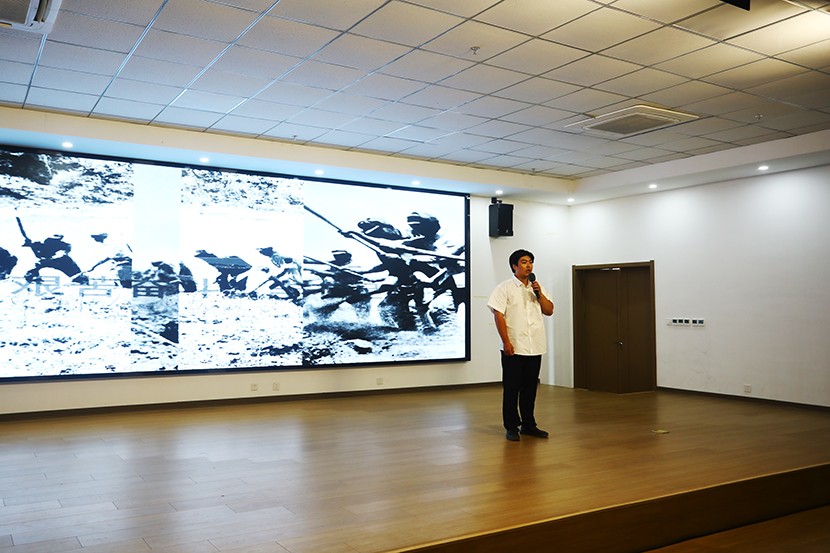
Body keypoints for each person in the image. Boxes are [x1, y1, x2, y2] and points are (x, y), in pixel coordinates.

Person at [487, 249, 554, 441]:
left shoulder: (537, 288)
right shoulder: (504, 288)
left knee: (530, 389)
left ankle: (528, 425)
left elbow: (549, 310)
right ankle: (511, 426)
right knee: (511, 389)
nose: (529, 265)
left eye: (531, 262)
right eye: (524, 262)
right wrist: (506, 341)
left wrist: (539, 294)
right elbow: (498, 315)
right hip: (514, 347)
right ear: (514, 266)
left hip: (535, 346)